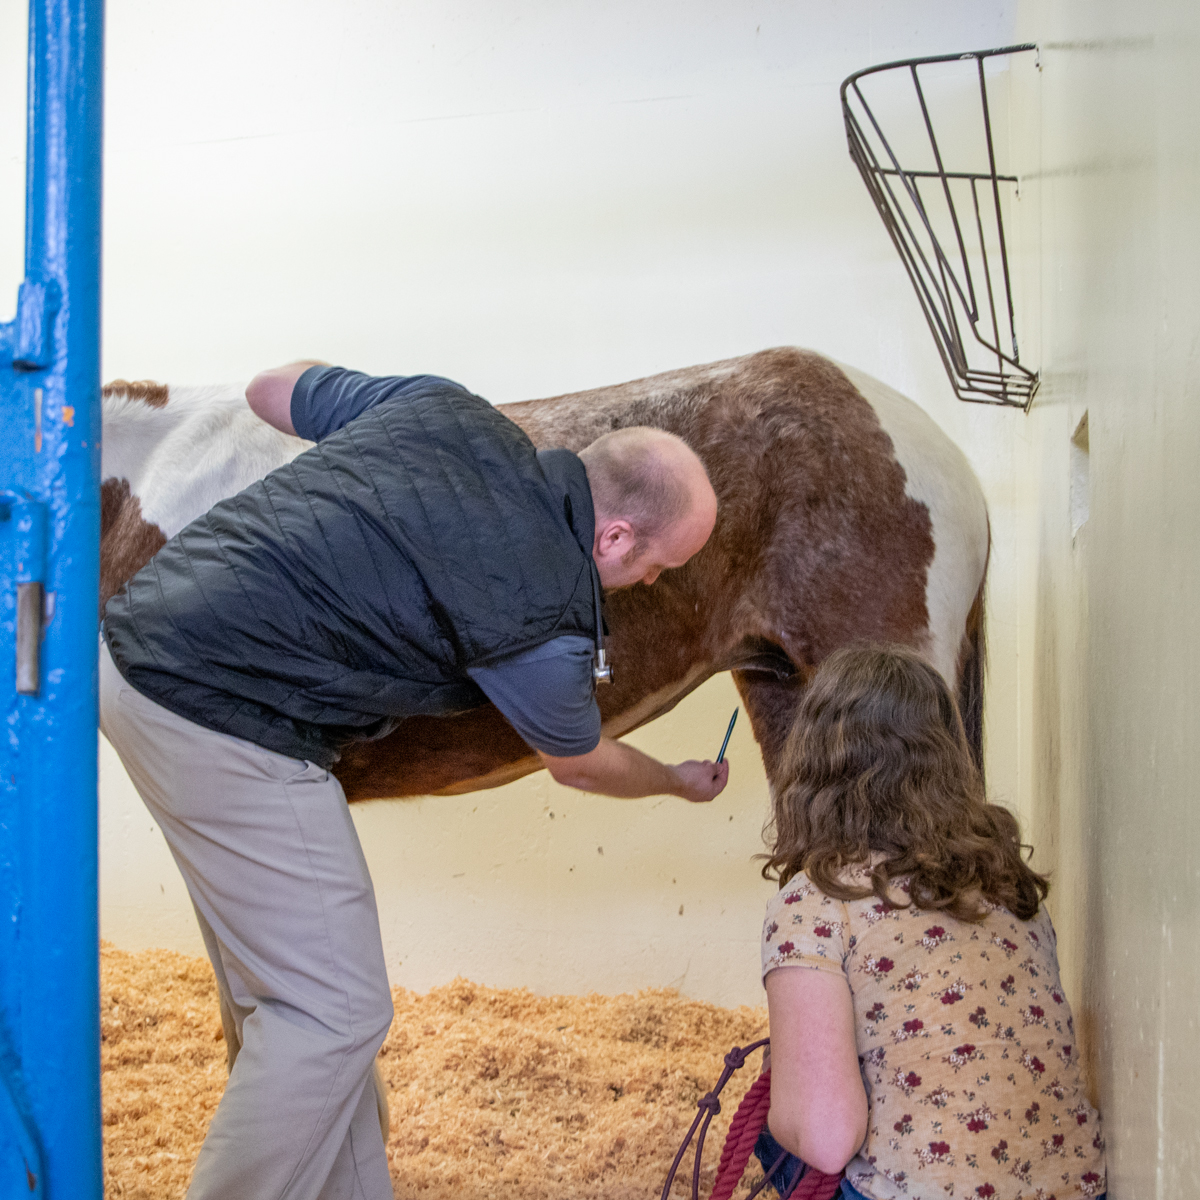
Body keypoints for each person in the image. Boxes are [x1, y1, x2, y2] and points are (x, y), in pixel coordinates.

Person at [99, 360, 729, 1200]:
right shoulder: (547, 611)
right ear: (614, 538)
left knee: (305, 1002)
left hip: (136, 652)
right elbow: (579, 762)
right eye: (657, 567)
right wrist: (676, 782)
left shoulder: (443, 405)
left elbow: (269, 390)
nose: (650, 584)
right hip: (221, 711)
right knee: (334, 1014)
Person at [754, 645, 1105, 1200]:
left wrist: (781, 1094)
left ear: (816, 760)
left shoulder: (817, 901)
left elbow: (827, 1139)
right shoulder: (1008, 884)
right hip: (1080, 1189)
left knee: (777, 1128)